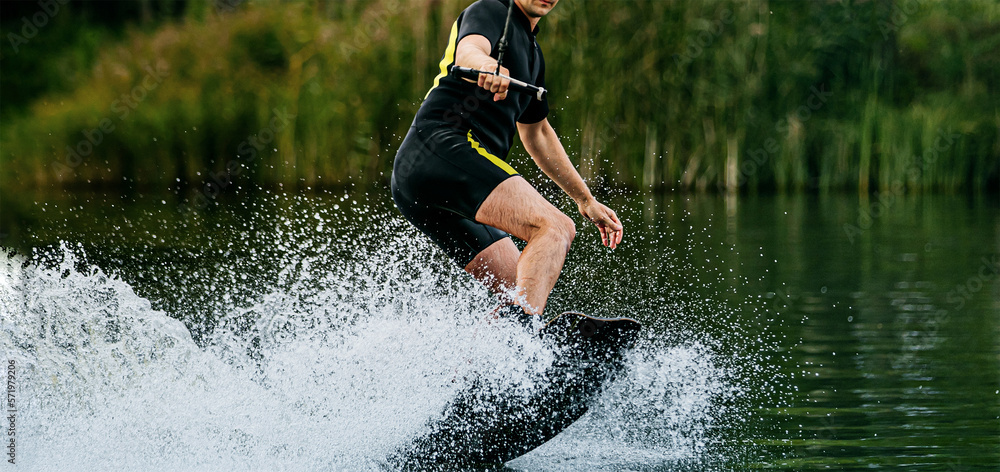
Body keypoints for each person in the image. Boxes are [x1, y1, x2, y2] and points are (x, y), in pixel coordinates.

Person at [391, 0, 623, 326]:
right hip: (441, 148)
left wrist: (585, 199)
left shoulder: (533, 54)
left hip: (425, 183)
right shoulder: (491, 10)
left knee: (522, 287)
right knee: (555, 228)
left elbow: (538, 133)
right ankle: (523, 350)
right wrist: (487, 65)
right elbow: (468, 49)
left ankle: (483, 371)